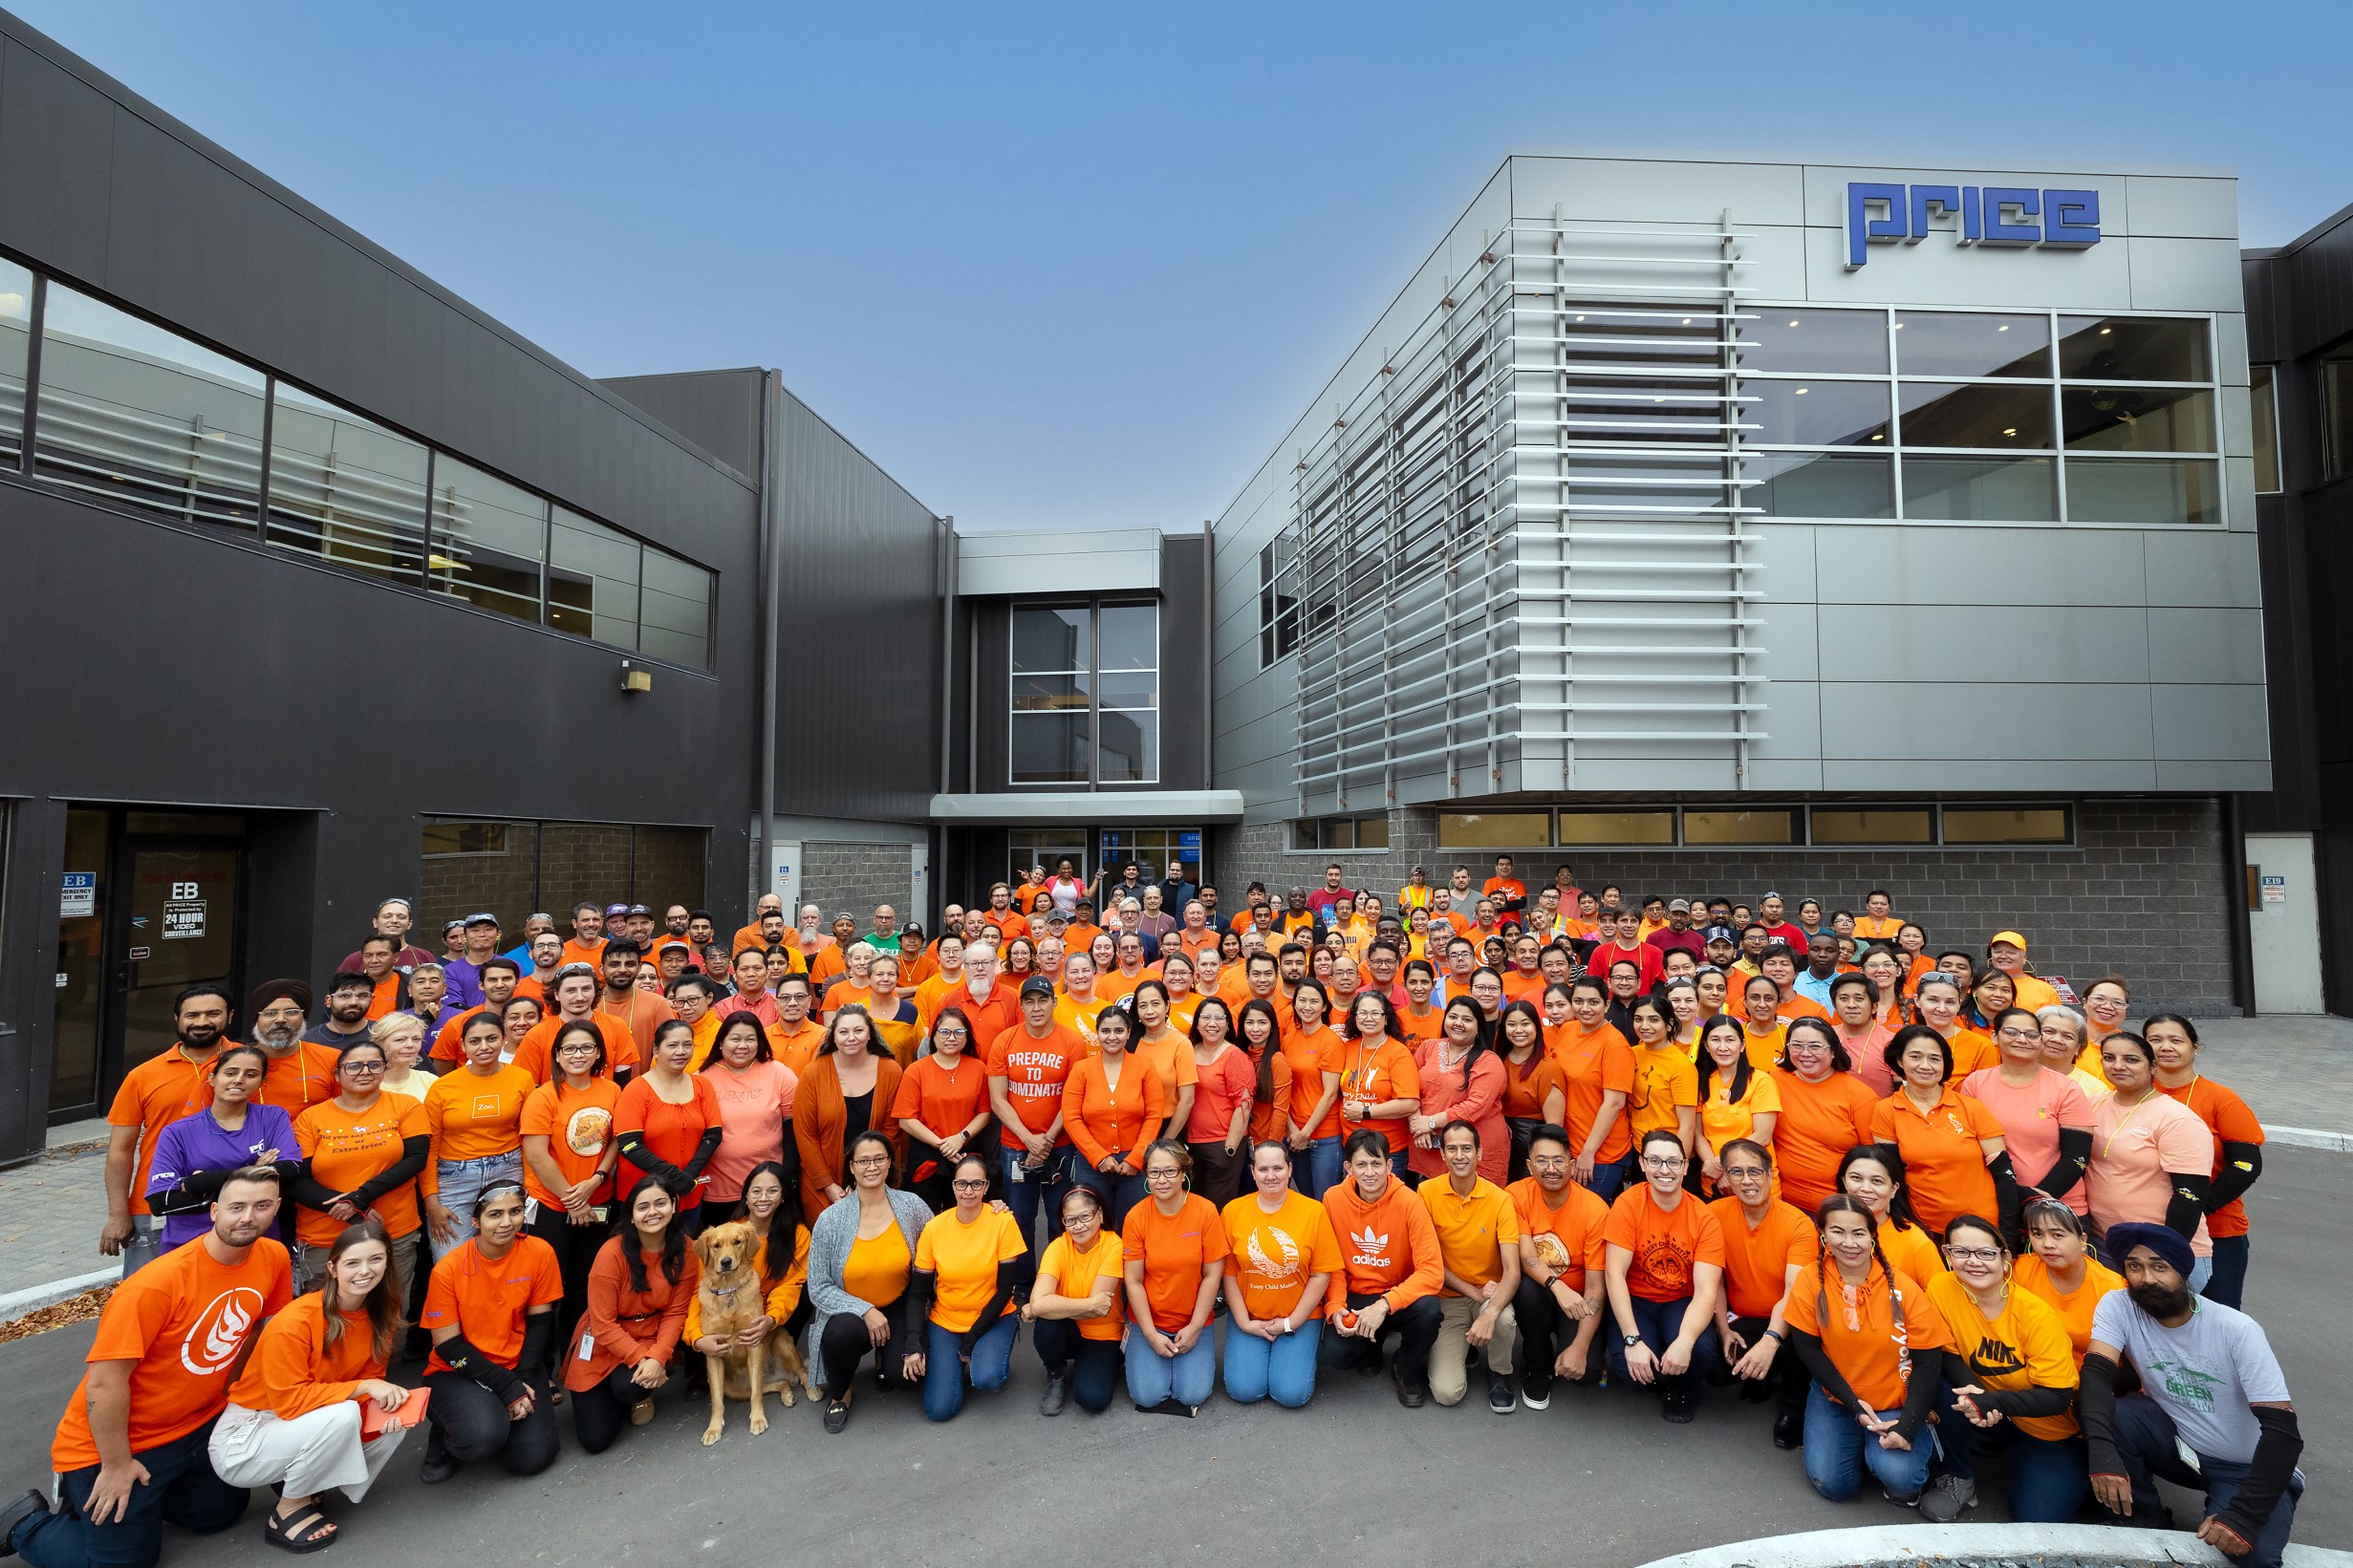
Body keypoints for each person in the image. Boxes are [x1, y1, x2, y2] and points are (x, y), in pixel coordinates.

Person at [5, 1168, 291, 1568]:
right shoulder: (154, 1285)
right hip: (122, 1442)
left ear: (276, 1208)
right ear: (213, 1211)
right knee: (122, 1564)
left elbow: (258, 1330)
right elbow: (104, 1384)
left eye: (261, 1206)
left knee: (218, 1515)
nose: (248, 1217)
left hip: (196, 1425)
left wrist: (232, 1398)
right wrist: (117, 1464)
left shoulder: (273, 1256)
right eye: (237, 1207)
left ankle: (147, 1502)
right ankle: (26, 1523)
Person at [2083, 1223, 2306, 1566]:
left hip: (2245, 1467)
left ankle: (2247, 1504)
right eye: (2134, 1266)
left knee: (2252, 1555)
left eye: (2160, 1266)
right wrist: (2102, 1454)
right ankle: (2143, 1516)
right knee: (2118, 1411)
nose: (2146, 1278)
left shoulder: (2237, 1330)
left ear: (2183, 1272)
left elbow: (2284, 1433)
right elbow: (2097, 1375)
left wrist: (2243, 1515)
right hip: (2179, 1445)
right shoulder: (2119, 1305)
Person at [203, 1219, 412, 1551]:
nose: (365, 1271)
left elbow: (371, 1376)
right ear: (332, 1267)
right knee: (344, 1414)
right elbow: (290, 1402)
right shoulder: (296, 1320)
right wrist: (364, 1389)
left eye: (376, 1259)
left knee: (393, 1421)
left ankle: (312, 1479)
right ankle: (287, 1509)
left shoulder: (382, 1310)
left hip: (304, 1420)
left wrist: (380, 1405)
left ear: (388, 1262)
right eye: (353, 1262)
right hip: (248, 1433)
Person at [1917, 1213, 2084, 1523]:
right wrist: (1976, 1395)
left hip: (2045, 1425)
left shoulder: (2035, 1315)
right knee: (1935, 1377)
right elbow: (1947, 1351)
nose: (1973, 1262)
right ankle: (1959, 1477)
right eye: (1961, 1252)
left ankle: (2069, 1475)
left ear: (2005, 1257)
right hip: (1984, 1406)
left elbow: (2058, 1396)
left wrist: (1993, 1402)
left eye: (1985, 1253)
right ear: (1947, 1254)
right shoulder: (1942, 1287)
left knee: (2037, 1518)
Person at [1784, 1194, 1951, 1507]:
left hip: (1894, 1399)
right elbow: (1806, 1347)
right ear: (1823, 1235)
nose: (1849, 1243)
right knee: (1834, 1486)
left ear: (1873, 1236)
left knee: (1904, 1482)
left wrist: (1909, 1424)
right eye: (1838, 1232)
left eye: (1859, 1233)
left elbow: (1928, 1362)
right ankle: (1859, 1444)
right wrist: (1853, 1404)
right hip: (1838, 1395)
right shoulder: (1810, 1279)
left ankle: (1905, 1447)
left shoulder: (1903, 1288)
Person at [417, 1181, 562, 1482]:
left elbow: (540, 1323)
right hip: (458, 1371)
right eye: (495, 1214)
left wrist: (521, 1380)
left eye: (515, 1211)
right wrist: (508, 1389)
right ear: (476, 1221)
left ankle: (496, 1414)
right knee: (481, 1439)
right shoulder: (448, 1270)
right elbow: (449, 1347)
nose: (506, 1222)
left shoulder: (540, 1252)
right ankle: (444, 1434)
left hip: (519, 1363)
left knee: (531, 1459)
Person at [805, 1131, 934, 1432]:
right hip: (851, 1314)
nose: (871, 1167)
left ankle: (884, 1358)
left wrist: (987, 1211)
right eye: (863, 1160)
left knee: (903, 1378)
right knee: (840, 1334)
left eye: (879, 1159)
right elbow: (819, 1287)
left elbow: (940, 1240)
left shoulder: (911, 1205)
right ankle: (841, 1392)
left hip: (900, 1302)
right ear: (851, 1166)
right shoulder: (831, 1220)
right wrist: (865, 1310)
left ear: (890, 1163)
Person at [98, 984, 228, 1278]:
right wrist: (118, 1214)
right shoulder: (143, 1075)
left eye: (213, 1013)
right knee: (148, 1293)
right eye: (191, 1015)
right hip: (157, 1201)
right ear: (177, 1019)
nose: (201, 1022)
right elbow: (120, 1150)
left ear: (229, 1016)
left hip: (232, 1198)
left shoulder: (248, 1065)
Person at [516, 1023, 622, 1382]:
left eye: (586, 1048)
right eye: (570, 1049)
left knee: (586, 1286)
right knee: (546, 1291)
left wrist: (597, 1179)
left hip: (599, 1201)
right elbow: (536, 1155)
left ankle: (577, 1360)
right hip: (551, 1205)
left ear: (598, 1055)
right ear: (557, 1056)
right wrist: (572, 1201)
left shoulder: (611, 1090)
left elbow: (615, 1142)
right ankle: (541, 1370)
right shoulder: (543, 1096)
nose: (578, 1055)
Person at [564, 1177, 697, 1452]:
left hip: (651, 1334)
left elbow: (676, 1311)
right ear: (632, 1216)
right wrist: (640, 1359)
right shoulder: (611, 1254)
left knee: (630, 1387)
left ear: (673, 1206)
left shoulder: (685, 1249)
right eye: (643, 1207)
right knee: (595, 1440)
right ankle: (617, 1393)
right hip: (604, 1341)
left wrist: (658, 1357)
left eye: (661, 1203)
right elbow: (602, 1325)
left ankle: (638, 1394)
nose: (652, 1212)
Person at [2145, 1013, 2265, 1309]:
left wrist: (2198, 1206)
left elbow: (2246, 1165)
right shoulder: (2133, 1096)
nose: (2166, 1047)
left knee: (2216, 1317)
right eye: (2155, 1040)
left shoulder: (2220, 1099)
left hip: (2217, 1231)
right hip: (2149, 1228)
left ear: (2195, 1047)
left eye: (2176, 1040)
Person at [1604, 1128, 1725, 1422]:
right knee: (1627, 1363)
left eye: (1673, 1162)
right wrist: (1633, 1340)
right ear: (1642, 1164)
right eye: (1655, 1161)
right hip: (1637, 1299)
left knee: (1701, 1350)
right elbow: (1614, 1274)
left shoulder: (1704, 1216)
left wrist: (1684, 1341)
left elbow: (1707, 1291)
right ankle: (1659, 1375)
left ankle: (1681, 1387)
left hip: (1680, 1300)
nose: (1664, 1170)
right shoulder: (1628, 1204)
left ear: (1685, 1167)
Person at [291, 1039, 429, 1295]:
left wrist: (360, 1198)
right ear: (337, 1074)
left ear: (384, 1070)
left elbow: (415, 1160)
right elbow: (297, 1182)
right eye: (354, 1066)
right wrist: (356, 1211)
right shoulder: (310, 1118)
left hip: (392, 1230)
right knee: (324, 1318)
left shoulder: (406, 1106)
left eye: (374, 1065)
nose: (365, 1072)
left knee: (391, 1317)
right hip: (325, 1238)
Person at [1319, 1128, 1446, 1405]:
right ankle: (1370, 1348)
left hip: (1399, 1294)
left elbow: (1432, 1271)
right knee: (1335, 1355)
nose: (1369, 1172)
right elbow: (1332, 1264)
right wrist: (1336, 1308)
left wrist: (1384, 1305)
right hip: (1358, 1293)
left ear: (1389, 1165)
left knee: (1428, 1311)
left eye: (1376, 1164)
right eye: (1361, 1164)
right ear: (1348, 1168)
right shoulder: (1332, 1199)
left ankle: (1406, 1367)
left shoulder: (1410, 1202)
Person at [1213, 1142, 1342, 1408]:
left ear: (1290, 1169)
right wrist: (1245, 1323)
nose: (1271, 1175)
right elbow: (1229, 1275)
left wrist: (1292, 1322)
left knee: (1291, 1395)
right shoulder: (1233, 1211)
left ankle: (1299, 1349)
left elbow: (1321, 1274)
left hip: (1298, 1318)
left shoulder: (1313, 1211)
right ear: (1252, 1172)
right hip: (1250, 1316)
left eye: (1277, 1168)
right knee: (1244, 1390)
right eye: (1263, 1169)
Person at [900, 1152, 1026, 1423]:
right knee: (939, 1411)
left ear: (986, 1187)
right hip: (946, 1320)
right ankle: (952, 1364)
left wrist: (969, 1343)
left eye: (976, 1184)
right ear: (953, 1186)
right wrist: (912, 1342)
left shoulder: (1002, 1221)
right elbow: (918, 1292)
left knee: (988, 1379)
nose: (968, 1191)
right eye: (962, 1184)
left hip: (994, 1317)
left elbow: (1005, 1290)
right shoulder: (934, 1228)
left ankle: (978, 1358)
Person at [1707, 1139, 1814, 1450]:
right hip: (1740, 1316)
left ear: (1770, 1175)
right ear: (1725, 1177)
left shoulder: (1798, 1224)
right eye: (1737, 1172)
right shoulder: (1713, 1214)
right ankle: (1761, 1376)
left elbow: (1794, 1292)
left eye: (1755, 1171)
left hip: (1789, 1318)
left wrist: (1770, 1341)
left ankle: (1792, 1411)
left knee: (1803, 1337)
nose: (1747, 1180)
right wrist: (1724, 1330)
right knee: (1714, 1366)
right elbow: (1714, 1281)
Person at [2086, 1030, 2214, 1289]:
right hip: (2106, 1244)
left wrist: (2162, 1253)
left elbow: (2189, 1195)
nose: (2118, 1066)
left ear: (2153, 1066)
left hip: (2161, 1248)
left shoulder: (2175, 1118)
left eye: (2131, 1060)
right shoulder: (2093, 1103)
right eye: (2109, 1058)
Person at [143, 1043, 299, 1255]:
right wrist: (254, 1171)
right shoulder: (177, 1132)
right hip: (190, 1247)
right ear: (212, 1079)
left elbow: (289, 1169)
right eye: (230, 1072)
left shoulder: (273, 1118)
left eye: (251, 1074)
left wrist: (201, 1183)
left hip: (258, 1247)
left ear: (262, 1083)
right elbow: (162, 1202)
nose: (239, 1080)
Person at [1868, 1024, 2013, 1238]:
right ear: (1900, 1061)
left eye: (1935, 1059)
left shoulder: (1972, 1108)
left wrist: (2008, 1235)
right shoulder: (1886, 1110)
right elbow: (1891, 1177)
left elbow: (2004, 1175)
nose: (1925, 1066)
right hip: (1925, 1229)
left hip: (1982, 1228)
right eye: (1915, 1057)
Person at [1507, 1124, 1609, 1410]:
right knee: (1526, 1288)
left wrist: (1580, 1347)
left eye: (1558, 1160)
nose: (1550, 1168)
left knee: (1585, 1373)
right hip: (1542, 1293)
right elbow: (1527, 1258)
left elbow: (1596, 1289)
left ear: (1572, 1164)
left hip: (1577, 1302)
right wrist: (1557, 1285)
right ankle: (1538, 1365)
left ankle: (1580, 1349)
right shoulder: (1515, 1195)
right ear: (1529, 1166)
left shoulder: (1595, 1208)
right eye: (1541, 1160)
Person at [1122, 1140, 1228, 1414]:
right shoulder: (1136, 1217)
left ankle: (1176, 1362)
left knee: (1192, 1393)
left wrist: (1194, 1327)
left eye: (1170, 1171)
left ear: (1184, 1173)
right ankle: (1147, 1354)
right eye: (1154, 1172)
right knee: (1147, 1396)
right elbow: (1133, 1281)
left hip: (1193, 1320)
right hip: (1150, 1321)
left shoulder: (1205, 1211)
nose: (1162, 1180)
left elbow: (1212, 1274)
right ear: (1146, 1175)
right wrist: (1149, 1334)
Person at [419, 1012, 534, 1262]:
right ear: (462, 1046)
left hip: (508, 1170)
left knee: (505, 1255)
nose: (484, 1047)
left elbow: (528, 1136)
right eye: (474, 1041)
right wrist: (431, 1202)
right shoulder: (442, 1087)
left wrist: (529, 1185)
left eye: (491, 1038)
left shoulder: (522, 1078)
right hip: (453, 1179)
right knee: (451, 1259)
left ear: (504, 1039)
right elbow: (430, 1146)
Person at [1960, 1006, 2094, 1217]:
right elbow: (1968, 1147)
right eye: (2012, 1032)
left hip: (2057, 1208)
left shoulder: (2066, 1088)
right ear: (1995, 1036)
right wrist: (2007, 1201)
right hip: (1993, 1204)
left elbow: (2076, 1158)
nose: (2022, 1040)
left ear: (2040, 1041)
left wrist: (2030, 1201)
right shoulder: (1975, 1083)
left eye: (2032, 1035)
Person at [684, 1159, 811, 1381]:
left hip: (769, 1312)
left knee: (808, 1293)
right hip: (727, 1311)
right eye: (756, 1191)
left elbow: (791, 1284)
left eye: (772, 1191)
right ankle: (702, 1372)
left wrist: (771, 1318)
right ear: (746, 1196)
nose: (763, 1198)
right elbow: (699, 1290)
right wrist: (696, 1337)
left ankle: (781, 1358)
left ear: (783, 1197)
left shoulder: (798, 1235)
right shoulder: (726, 1235)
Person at [985, 976, 1087, 1251]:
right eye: (1029, 1002)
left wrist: (1046, 1141)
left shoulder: (1073, 1042)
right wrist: (1029, 1140)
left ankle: (1059, 1281)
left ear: (1054, 1002)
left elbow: (1073, 1098)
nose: (1037, 1008)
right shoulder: (1004, 1041)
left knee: (1061, 1219)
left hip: (1060, 1145)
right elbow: (997, 1099)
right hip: (1015, 1146)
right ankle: (1022, 1287)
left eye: (1043, 1000)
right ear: (1021, 1006)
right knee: (1019, 1221)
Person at [795, 1006, 907, 1226]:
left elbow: (891, 1130)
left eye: (858, 1031)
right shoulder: (813, 1073)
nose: (851, 1038)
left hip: (877, 1178)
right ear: (833, 1036)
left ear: (870, 1034)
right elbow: (805, 1135)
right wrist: (829, 1186)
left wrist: (866, 1177)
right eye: (843, 1032)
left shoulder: (891, 1071)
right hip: (824, 1185)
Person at [613, 1020, 723, 1234]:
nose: (681, 1052)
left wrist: (688, 1177)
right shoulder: (636, 1089)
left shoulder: (702, 1085)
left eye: (687, 1045)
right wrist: (674, 1177)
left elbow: (713, 1134)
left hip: (688, 1192)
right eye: (672, 1045)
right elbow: (629, 1145)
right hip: (644, 1199)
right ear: (656, 1049)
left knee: (684, 1255)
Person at [1025, 1186, 1126, 1416]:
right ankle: (1056, 1375)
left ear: (1099, 1215)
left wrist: (1042, 1306)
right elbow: (1091, 1305)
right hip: (1068, 1330)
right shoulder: (1058, 1247)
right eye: (1071, 1220)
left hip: (1103, 1333)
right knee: (1047, 1327)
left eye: (1085, 1216)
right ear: (1063, 1221)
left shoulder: (1113, 1245)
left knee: (1092, 1400)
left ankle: (1104, 1362)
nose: (1078, 1226)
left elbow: (1098, 1310)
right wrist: (1086, 1305)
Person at [1063, 1005, 1163, 1227]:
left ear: (1128, 1032)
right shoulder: (1081, 1069)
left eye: (1119, 1031)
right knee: (1093, 1226)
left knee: (1133, 1226)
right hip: (1091, 1167)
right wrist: (1098, 1155)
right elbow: (1071, 1118)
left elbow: (1154, 1115)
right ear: (1097, 1033)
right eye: (1105, 1031)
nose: (1112, 1037)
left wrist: (1136, 1158)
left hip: (1134, 1168)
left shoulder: (1144, 1067)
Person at [1770, 1018, 1876, 1216]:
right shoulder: (1773, 1080)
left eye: (1815, 1046)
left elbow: (1874, 1160)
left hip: (1841, 1208)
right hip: (1781, 1203)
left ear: (1833, 1050)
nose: (1806, 1053)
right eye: (1797, 1045)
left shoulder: (1860, 1095)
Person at [696, 1011, 798, 1215]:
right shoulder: (700, 1079)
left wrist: (788, 1175)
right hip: (718, 1189)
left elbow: (792, 1127)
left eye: (750, 1039)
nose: (743, 1046)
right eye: (735, 1039)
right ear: (720, 1042)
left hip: (769, 1188)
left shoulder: (780, 1073)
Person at [892, 1005, 990, 1212]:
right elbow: (906, 1119)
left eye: (959, 1032)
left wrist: (960, 1138)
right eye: (944, 1032)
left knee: (965, 1220)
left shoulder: (979, 1068)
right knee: (926, 1221)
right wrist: (942, 1145)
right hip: (927, 1159)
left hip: (966, 1157)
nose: (951, 1038)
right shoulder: (916, 1070)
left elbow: (985, 1113)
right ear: (933, 1037)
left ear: (967, 1036)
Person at [1546, 977, 1636, 1200]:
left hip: (1601, 1152)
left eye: (1593, 1002)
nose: (1585, 1009)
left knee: (1587, 1214)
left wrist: (1589, 1152)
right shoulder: (1567, 1029)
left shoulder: (1615, 1044)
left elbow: (1614, 1103)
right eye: (1578, 1001)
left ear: (1606, 1005)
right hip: (1570, 1143)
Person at [2014, 1195, 2124, 1364]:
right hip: (2034, 1372)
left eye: (2057, 1235)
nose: (2047, 1244)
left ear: (2083, 1241)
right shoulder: (2020, 1271)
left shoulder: (2113, 1287)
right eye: (2037, 1234)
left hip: (2093, 1378)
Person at [1409, 998, 1505, 1187]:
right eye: (1453, 1017)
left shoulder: (1488, 1061)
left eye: (1467, 1020)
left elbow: (1475, 1106)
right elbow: (1409, 1088)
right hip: (1427, 1145)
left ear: (1478, 1027)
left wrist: (1429, 1122)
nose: (1458, 1023)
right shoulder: (1428, 1047)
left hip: (1472, 1149)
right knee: (1430, 1206)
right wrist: (1417, 1125)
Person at [1695, 1016, 1780, 1196]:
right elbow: (1698, 1134)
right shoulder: (1703, 1081)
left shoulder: (1760, 1081)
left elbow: (1762, 1136)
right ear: (1706, 1046)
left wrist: (1723, 1165)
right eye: (1715, 1040)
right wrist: (1715, 1169)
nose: (1723, 1047)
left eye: (1730, 1040)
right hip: (1714, 1182)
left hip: (1755, 1181)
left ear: (1741, 1046)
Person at [1277, 978, 1347, 1198]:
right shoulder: (1288, 1040)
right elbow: (1284, 1089)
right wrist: (1292, 1131)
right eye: (1302, 1000)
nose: (1307, 1006)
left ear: (1324, 1006)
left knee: (1325, 1202)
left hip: (1324, 1137)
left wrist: (1305, 1133)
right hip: (1294, 1134)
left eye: (1314, 1001)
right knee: (1306, 1200)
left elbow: (1330, 1093)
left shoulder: (1331, 1041)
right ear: (1294, 1004)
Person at [1183, 999, 1254, 1209]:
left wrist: (1229, 1149)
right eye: (1205, 1017)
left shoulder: (1234, 1056)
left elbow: (1244, 1106)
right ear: (1197, 1023)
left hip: (1222, 1145)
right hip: (1191, 1145)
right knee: (1195, 1208)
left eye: (1218, 1018)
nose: (1212, 1023)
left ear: (1228, 1025)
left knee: (1217, 1209)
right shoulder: (1188, 1050)